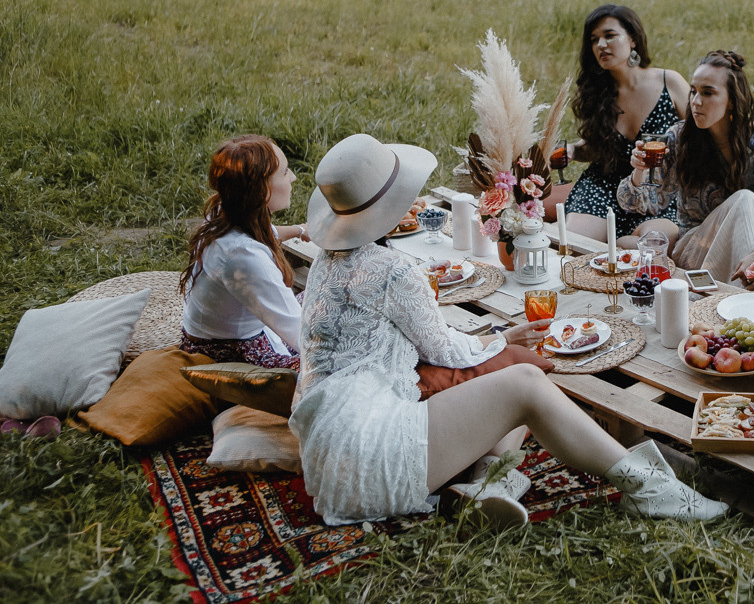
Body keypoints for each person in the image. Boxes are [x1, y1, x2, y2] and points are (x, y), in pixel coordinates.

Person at [290, 133, 727, 527]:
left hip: (327, 453)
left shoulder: (325, 267)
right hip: (372, 454)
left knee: (507, 368)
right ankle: (650, 489)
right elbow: (447, 350)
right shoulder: (390, 271)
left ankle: (490, 481)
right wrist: (502, 338)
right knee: (523, 381)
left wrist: (501, 342)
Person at [618, 51, 754, 286]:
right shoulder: (679, 138)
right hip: (695, 249)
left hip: (753, 251)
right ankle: (745, 303)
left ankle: (728, 298)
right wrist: (639, 171)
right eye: (693, 91)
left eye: (708, 93)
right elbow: (641, 204)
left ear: (732, 99)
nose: (696, 101)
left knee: (749, 204)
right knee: (747, 201)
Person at [180, 135, 309, 369]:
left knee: (322, 298)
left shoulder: (226, 209)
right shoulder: (244, 258)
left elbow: (263, 231)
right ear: (262, 190)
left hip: (212, 338)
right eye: (285, 172)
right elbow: (302, 336)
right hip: (231, 356)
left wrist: (300, 230)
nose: (293, 177)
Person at [563, 4, 688, 245]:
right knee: (575, 246)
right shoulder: (598, 93)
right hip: (604, 186)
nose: (601, 45)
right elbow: (597, 149)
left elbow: (702, 135)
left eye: (610, 35)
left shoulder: (668, 83)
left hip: (658, 190)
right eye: (594, 40)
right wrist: (572, 151)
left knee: (648, 247)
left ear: (633, 40)